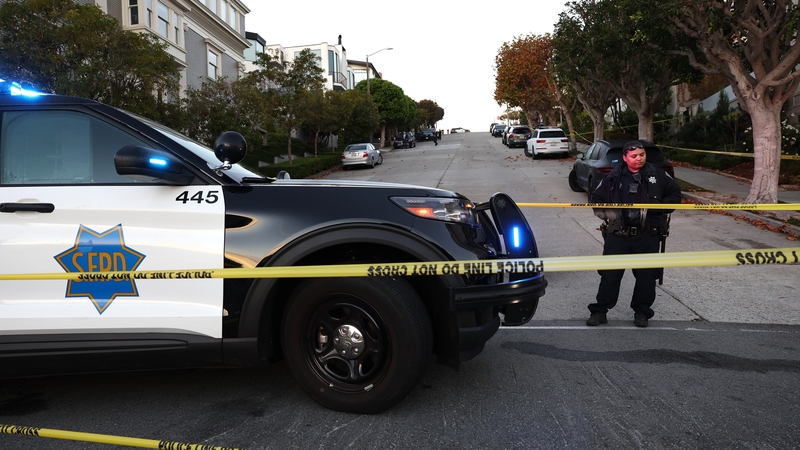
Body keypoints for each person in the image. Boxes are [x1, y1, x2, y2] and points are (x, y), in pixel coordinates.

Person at [586, 141, 681, 328]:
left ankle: (641, 312)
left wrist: (660, 208)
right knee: (609, 275)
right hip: (618, 235)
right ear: (625, 158)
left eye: (642, 155)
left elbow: (675, 195)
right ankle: (600, 311)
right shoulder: (613, 177)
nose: (639, 159)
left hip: (647, 235)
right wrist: (611, 216)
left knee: (646, 276)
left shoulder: (658, 175)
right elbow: (596, 200)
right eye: (634, 156)